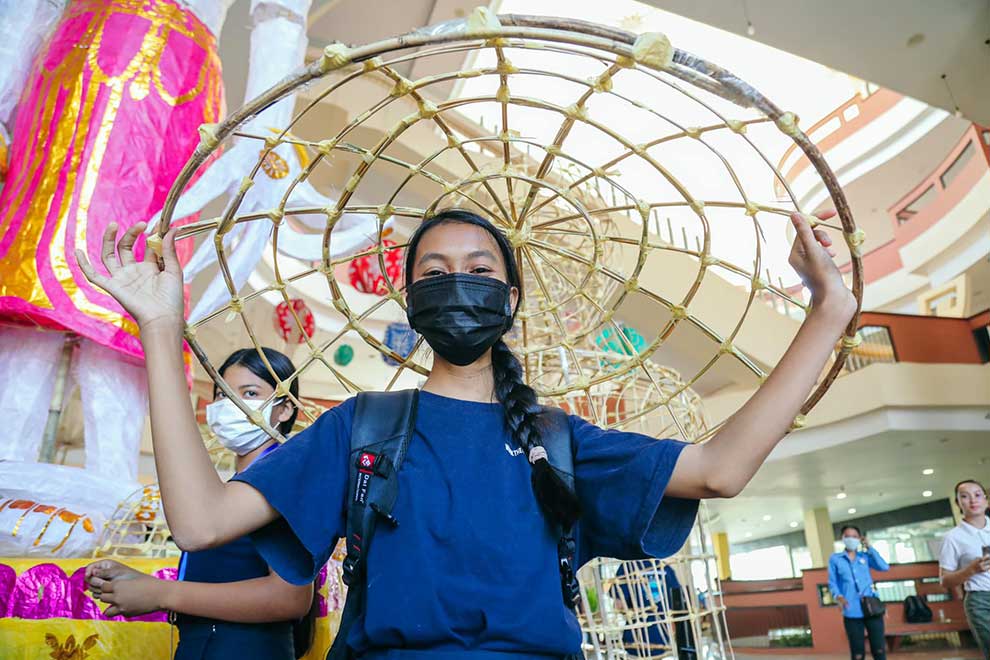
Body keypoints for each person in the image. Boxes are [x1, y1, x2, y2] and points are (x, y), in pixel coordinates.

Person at [77, 206, 855, 659]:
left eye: (480, 269)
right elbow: (201, 521)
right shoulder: (361, 427)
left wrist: (829, 315)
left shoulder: (560, 437)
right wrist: (160, 327)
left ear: (510, 298)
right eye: (436, 269)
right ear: (411, 300)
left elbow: (721, 467)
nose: (459, 281)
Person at [85, 347, 315, 660]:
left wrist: (161, 593)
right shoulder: (241, 485)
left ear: (285, 409)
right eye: (221, 393)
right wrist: (140, 582)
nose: (228, 404)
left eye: (249, 392)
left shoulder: (285, 477)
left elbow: (290, 597)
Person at [939, 479, 990, 659]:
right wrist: (971, 570)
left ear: (986, 499)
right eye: (965, 497)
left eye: (977, 495)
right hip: (981, 601)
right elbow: (945, 580)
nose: (973, 500)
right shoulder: (952, 538)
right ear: (958, 503)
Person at [828, 524, 890, 660]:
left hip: (871, 608)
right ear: (842, 538)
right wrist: (838, 596)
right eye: (847, 536)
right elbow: (832, 582)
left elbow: (884, 567)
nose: (851, 539)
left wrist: (869, 547)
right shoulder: (835, 559)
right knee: (857, 653)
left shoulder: (865, 557)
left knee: (879, 650)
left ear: (860, 539)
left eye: (855, 536)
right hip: (851, 609)